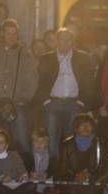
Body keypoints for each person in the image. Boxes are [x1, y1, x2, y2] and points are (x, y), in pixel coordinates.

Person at [34, 28, 97, 157]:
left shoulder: (82, 58)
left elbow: (89, 83)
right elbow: (40, 82)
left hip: (74, 102)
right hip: (53, 101)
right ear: (57, 41)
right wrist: (46, 101)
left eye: (68, 40)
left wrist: (81, 101)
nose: (65, 43)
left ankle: (68, 165)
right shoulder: (46, 58)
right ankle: (53, 166)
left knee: (70, 136)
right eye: (62, 40)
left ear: (72, 42)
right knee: (51, 133)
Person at [0, 19, 38, 155]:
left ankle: (24, 169)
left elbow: (32, 78)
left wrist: (24, 98)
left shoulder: (24, 54)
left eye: (14, 34)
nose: (11, 37)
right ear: (2, 33)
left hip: (16, 104)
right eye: (8, 33)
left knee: (22, 139)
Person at [56, 113, 103, 194]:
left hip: (92, 181)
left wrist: (88, 174)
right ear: (76, 128)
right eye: (82, 125)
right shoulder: (66, 144)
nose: (86, 127)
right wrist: (75, 176)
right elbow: (62, 168)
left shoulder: (98, 143)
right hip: (72, 182)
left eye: (89, 125)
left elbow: (102, 166)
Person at [0, 129, 35, 194]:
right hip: (2, 186)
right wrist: (1, 178)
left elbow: (22, 171)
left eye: (1, 143)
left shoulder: (14, 155)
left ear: (6, 145)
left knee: (32, 185)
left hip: (16, 185)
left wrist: (22, 176)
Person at [24, 128, 56, 193]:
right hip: (33, 179)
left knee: (50, 189)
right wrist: (30, 173)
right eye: (36, 141)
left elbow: (53, 168)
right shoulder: (28, 155)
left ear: (47, 143)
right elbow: (25, 167)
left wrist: (47, 174)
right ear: (32, 143)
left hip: (46, 178)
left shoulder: (52, 155)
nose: (39, 144)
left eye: (42, 141)